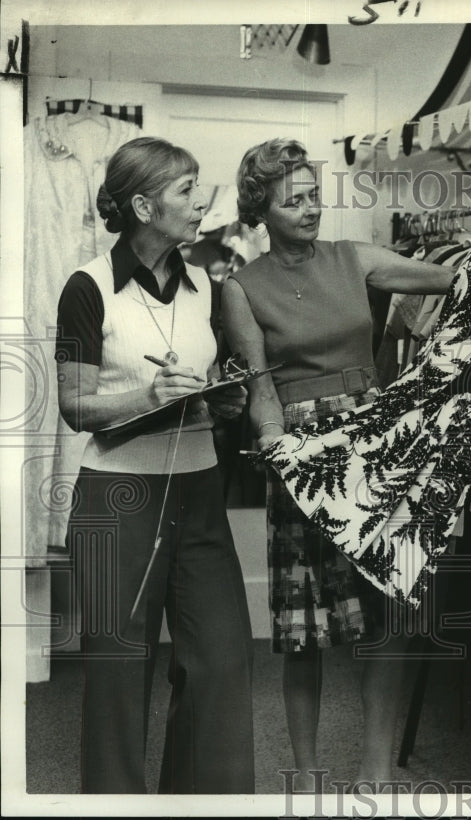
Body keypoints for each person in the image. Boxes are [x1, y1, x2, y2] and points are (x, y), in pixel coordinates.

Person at [221, 138, 452, 788]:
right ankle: (307, 773)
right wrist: (278, 452)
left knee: (390, 608)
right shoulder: (241, 289)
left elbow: (445, 277)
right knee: (304, 627)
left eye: (314, 194)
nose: (310, 208)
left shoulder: (354, 259)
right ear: (260, 209)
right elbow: (260, 387)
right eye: (293, 200)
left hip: (372, 447)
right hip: (302, 457)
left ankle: (376, 766)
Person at [55, 136, 255, 793]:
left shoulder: (205, 286)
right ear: (143, 205)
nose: (202, 203)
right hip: (118, 503)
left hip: (199, 494)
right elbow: (75, 404)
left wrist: (226, 400)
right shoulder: (87, 287)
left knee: (221, 666)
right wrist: (146, 395)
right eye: (186, 191)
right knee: (118, 678)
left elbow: (209, 381)